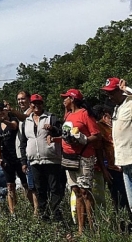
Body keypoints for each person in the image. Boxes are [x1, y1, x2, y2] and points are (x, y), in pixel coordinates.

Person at [60, 89, 100, 234]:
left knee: (85, 192)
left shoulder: (85, 114)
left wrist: (83, 140)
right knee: (76, 191)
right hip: (69, 158)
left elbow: (96, 135)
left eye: (66, 98)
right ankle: (81, 230)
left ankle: (93, 228)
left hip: (84, 157)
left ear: (73, 99)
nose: (64, 100)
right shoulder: (68, 115)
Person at [19, 94, 63, 221]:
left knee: (54, 189)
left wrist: (53, 128)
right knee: (40, 190)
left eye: (39, 103)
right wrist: (23, 161)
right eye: (34, 103)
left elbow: (61, 132)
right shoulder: (26, 122)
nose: (36, 106)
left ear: (42, 104)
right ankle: (44, 216)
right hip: (34, 161)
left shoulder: (51, 117)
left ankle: (56, 215)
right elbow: (23, 143)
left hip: (51, 159)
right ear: (30, 105)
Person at [92, 104, 130, 214]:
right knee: (119, 199)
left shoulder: (124, 123)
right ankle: (124, 227)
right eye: (107, 116)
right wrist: (104, 170)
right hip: (114, 168)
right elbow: (99, 150)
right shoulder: (100, 127)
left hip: (128, 164)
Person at [101, 78, 132, 213]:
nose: (110, 96)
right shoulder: (117, 109)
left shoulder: (130, 103)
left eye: (113, 92)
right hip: (124, 161)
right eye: (108, 93)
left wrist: (128, 89)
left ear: (121, 91)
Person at [0, 102, 28, 216]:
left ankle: (33, 208)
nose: (0, 113)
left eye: (2, 110)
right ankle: (13, 212)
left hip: (18, 157)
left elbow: (14, 126)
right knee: (10, 186)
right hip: (6, 159)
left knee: (25, 184)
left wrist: (3, 120)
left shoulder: (13, 119)